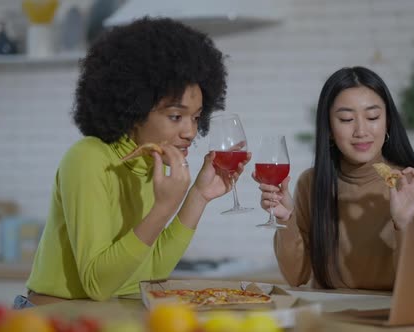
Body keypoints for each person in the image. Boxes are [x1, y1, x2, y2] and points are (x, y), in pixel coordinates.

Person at [18, 17, 245, 306]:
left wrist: (198, 196)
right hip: (50, 320)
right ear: (133, 109)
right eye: (175, 116)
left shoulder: (150, 166)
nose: (190, 132)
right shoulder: (89, 158)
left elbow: (149, 274)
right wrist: (164, 207)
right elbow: (97, 285)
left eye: (196, 117)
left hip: (111, 319)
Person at [254, 66, 414, 290]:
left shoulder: (413, 187)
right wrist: (285, 220)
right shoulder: (310, 183)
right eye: (346, 119)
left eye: (372, 116)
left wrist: (403, 225)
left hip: (387, 317)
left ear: (387, 121)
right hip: (327, 316)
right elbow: (296, 277)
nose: (361, 130)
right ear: (329, 128)